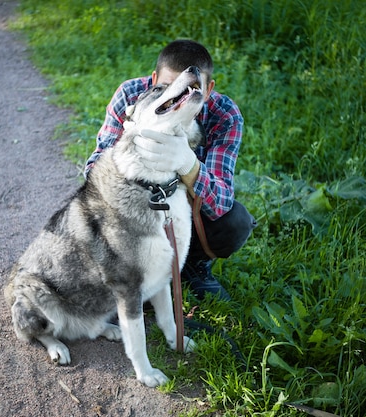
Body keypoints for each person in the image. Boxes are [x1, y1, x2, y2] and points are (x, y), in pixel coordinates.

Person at [84, 39, 257, 301]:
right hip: (135, 210)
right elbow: (93, 171)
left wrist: (189, 166)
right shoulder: (130, 94)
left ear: (208, 90)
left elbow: (221, 202)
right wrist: (132, 153)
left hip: (185, 211)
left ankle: (191, 265)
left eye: (190, 90)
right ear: (153, 79)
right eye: (165, 87)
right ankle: (130, 273)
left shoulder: (225, 115)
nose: (175, 98)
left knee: (235, 222)